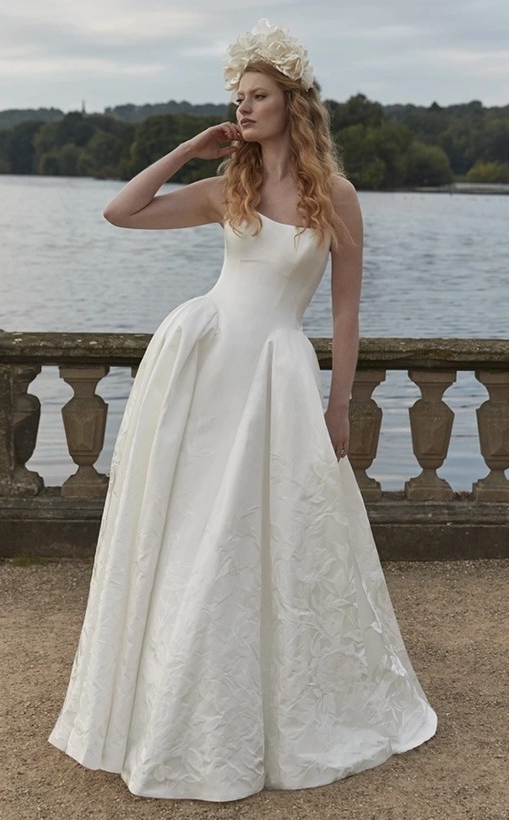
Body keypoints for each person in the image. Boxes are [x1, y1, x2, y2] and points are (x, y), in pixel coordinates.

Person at [49, 19, 437, 803]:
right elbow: (121, 213)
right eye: (238, 97)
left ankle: (279, 700)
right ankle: (172, 698)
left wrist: (339, 406)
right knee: (193, 527)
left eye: (257, 96)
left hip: (277, 374)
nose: (244, 106)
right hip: (204, 364)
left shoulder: (339, 197)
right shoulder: (231, 187)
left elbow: (348, 315)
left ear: (292, 103)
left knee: (276, 534)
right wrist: (192, 148)